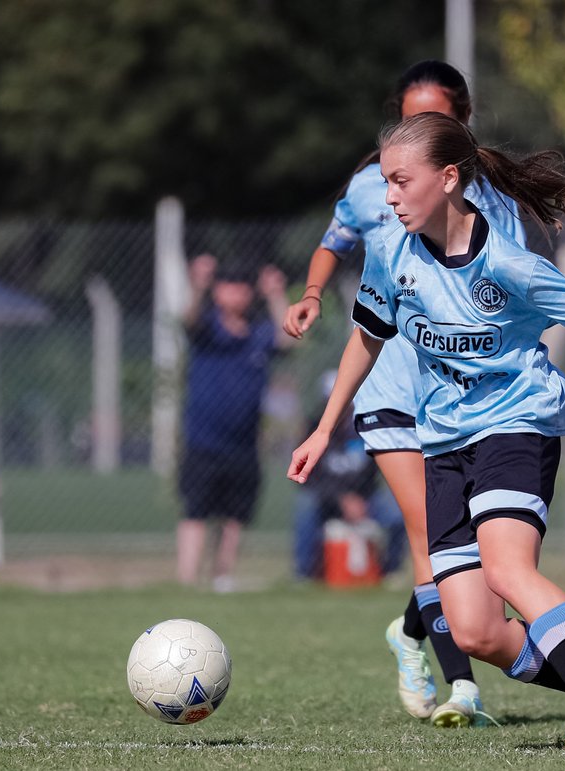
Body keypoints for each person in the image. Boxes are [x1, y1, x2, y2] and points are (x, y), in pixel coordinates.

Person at [288, 111, 565, 755]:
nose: (387, 196)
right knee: (474, 632)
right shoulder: (391, 252)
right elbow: (367, 337)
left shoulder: (506, 262)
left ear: (446, 179)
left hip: (517, 426)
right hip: (443, 444)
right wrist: (325, 428)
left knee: (505, 569)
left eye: (399, 181)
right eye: (384, 181)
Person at [284, 60, 527, 727]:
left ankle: (410, 632)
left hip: (469, 396)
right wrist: (310, 295)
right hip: (392, 386)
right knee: (433, 539)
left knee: (475, 551)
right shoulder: (372, 185)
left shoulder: (496, 196)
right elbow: (332, 244)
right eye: (411, 118)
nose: (422, 130)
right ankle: (464, 690)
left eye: (438, 118)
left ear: (464, 120)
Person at [177, 253, 290, 592]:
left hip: (243, 443)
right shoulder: (207, 329)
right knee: (196, 511)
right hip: (202, 442)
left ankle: (221, 577)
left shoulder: (258, 334)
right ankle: (186, 580)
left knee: (235, 515)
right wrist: (197, 286)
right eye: (228, 286)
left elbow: (288, 337)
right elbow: (188, 320)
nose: (236, 293)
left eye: (242, 287)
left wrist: (275, 295)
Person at [292, 378, 406, 580]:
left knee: (396, 513)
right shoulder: (314, 431)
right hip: (326, 500)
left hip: (364, 497)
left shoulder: (365, 427)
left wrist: (358, 498)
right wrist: (341, 499)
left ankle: (390, 570)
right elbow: (310, 479)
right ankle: (304, 573)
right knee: (305, 506)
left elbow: (372, 471)